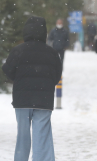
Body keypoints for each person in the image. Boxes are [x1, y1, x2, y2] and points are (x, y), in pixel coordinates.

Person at [2, 16, 62, 161]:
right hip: (44, 100)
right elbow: (57, 75)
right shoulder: (52, 53)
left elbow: (7, 71)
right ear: (44, 33)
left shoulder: (18, 50)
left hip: (22, 100)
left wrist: (20, 80)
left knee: (22, 135)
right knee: (42, 136)